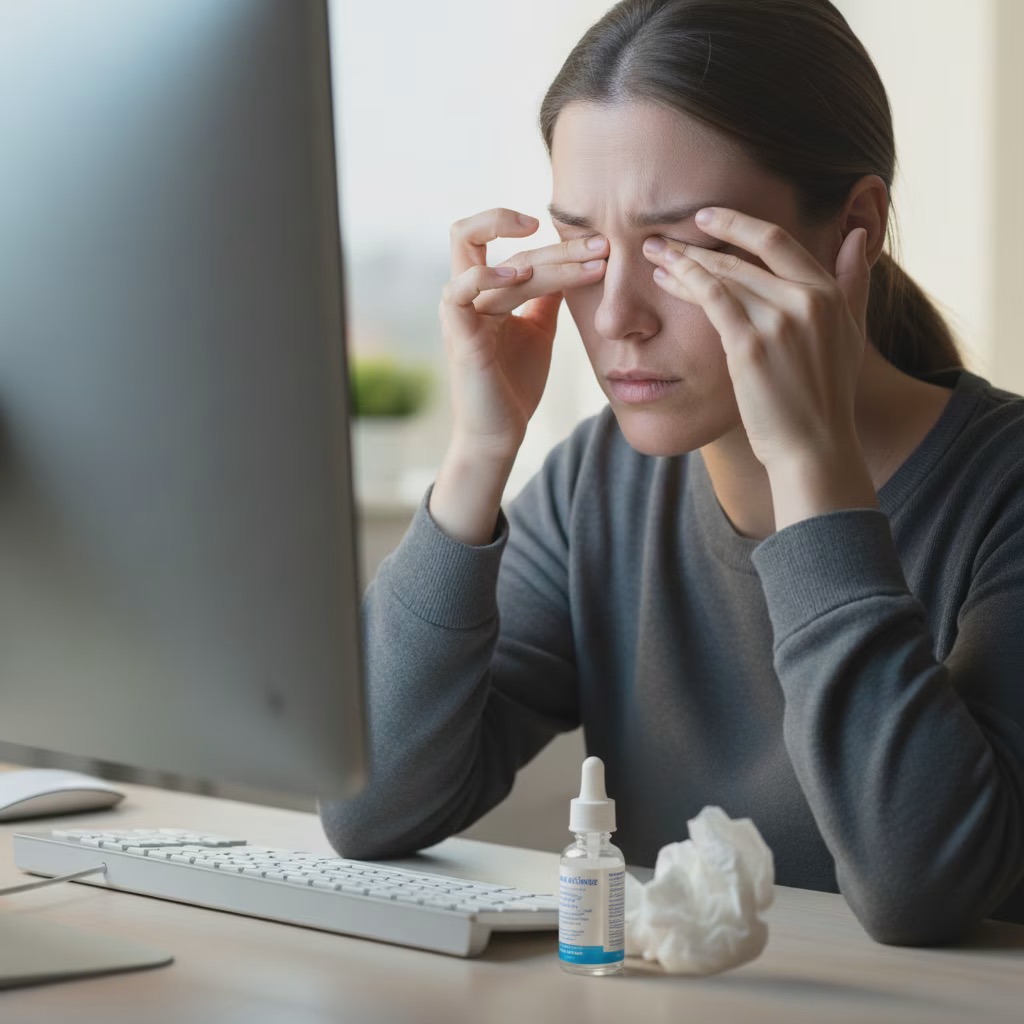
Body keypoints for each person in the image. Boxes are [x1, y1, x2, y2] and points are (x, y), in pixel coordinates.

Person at [319, 0, 1024, 946]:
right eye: (584, 244)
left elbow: (922, 889)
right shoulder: (596, 488)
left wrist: (813, 470)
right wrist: (480, 451)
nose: (616, 315)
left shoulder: (1003, 491)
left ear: (852, 228)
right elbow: (369, 811)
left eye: (679, 247)